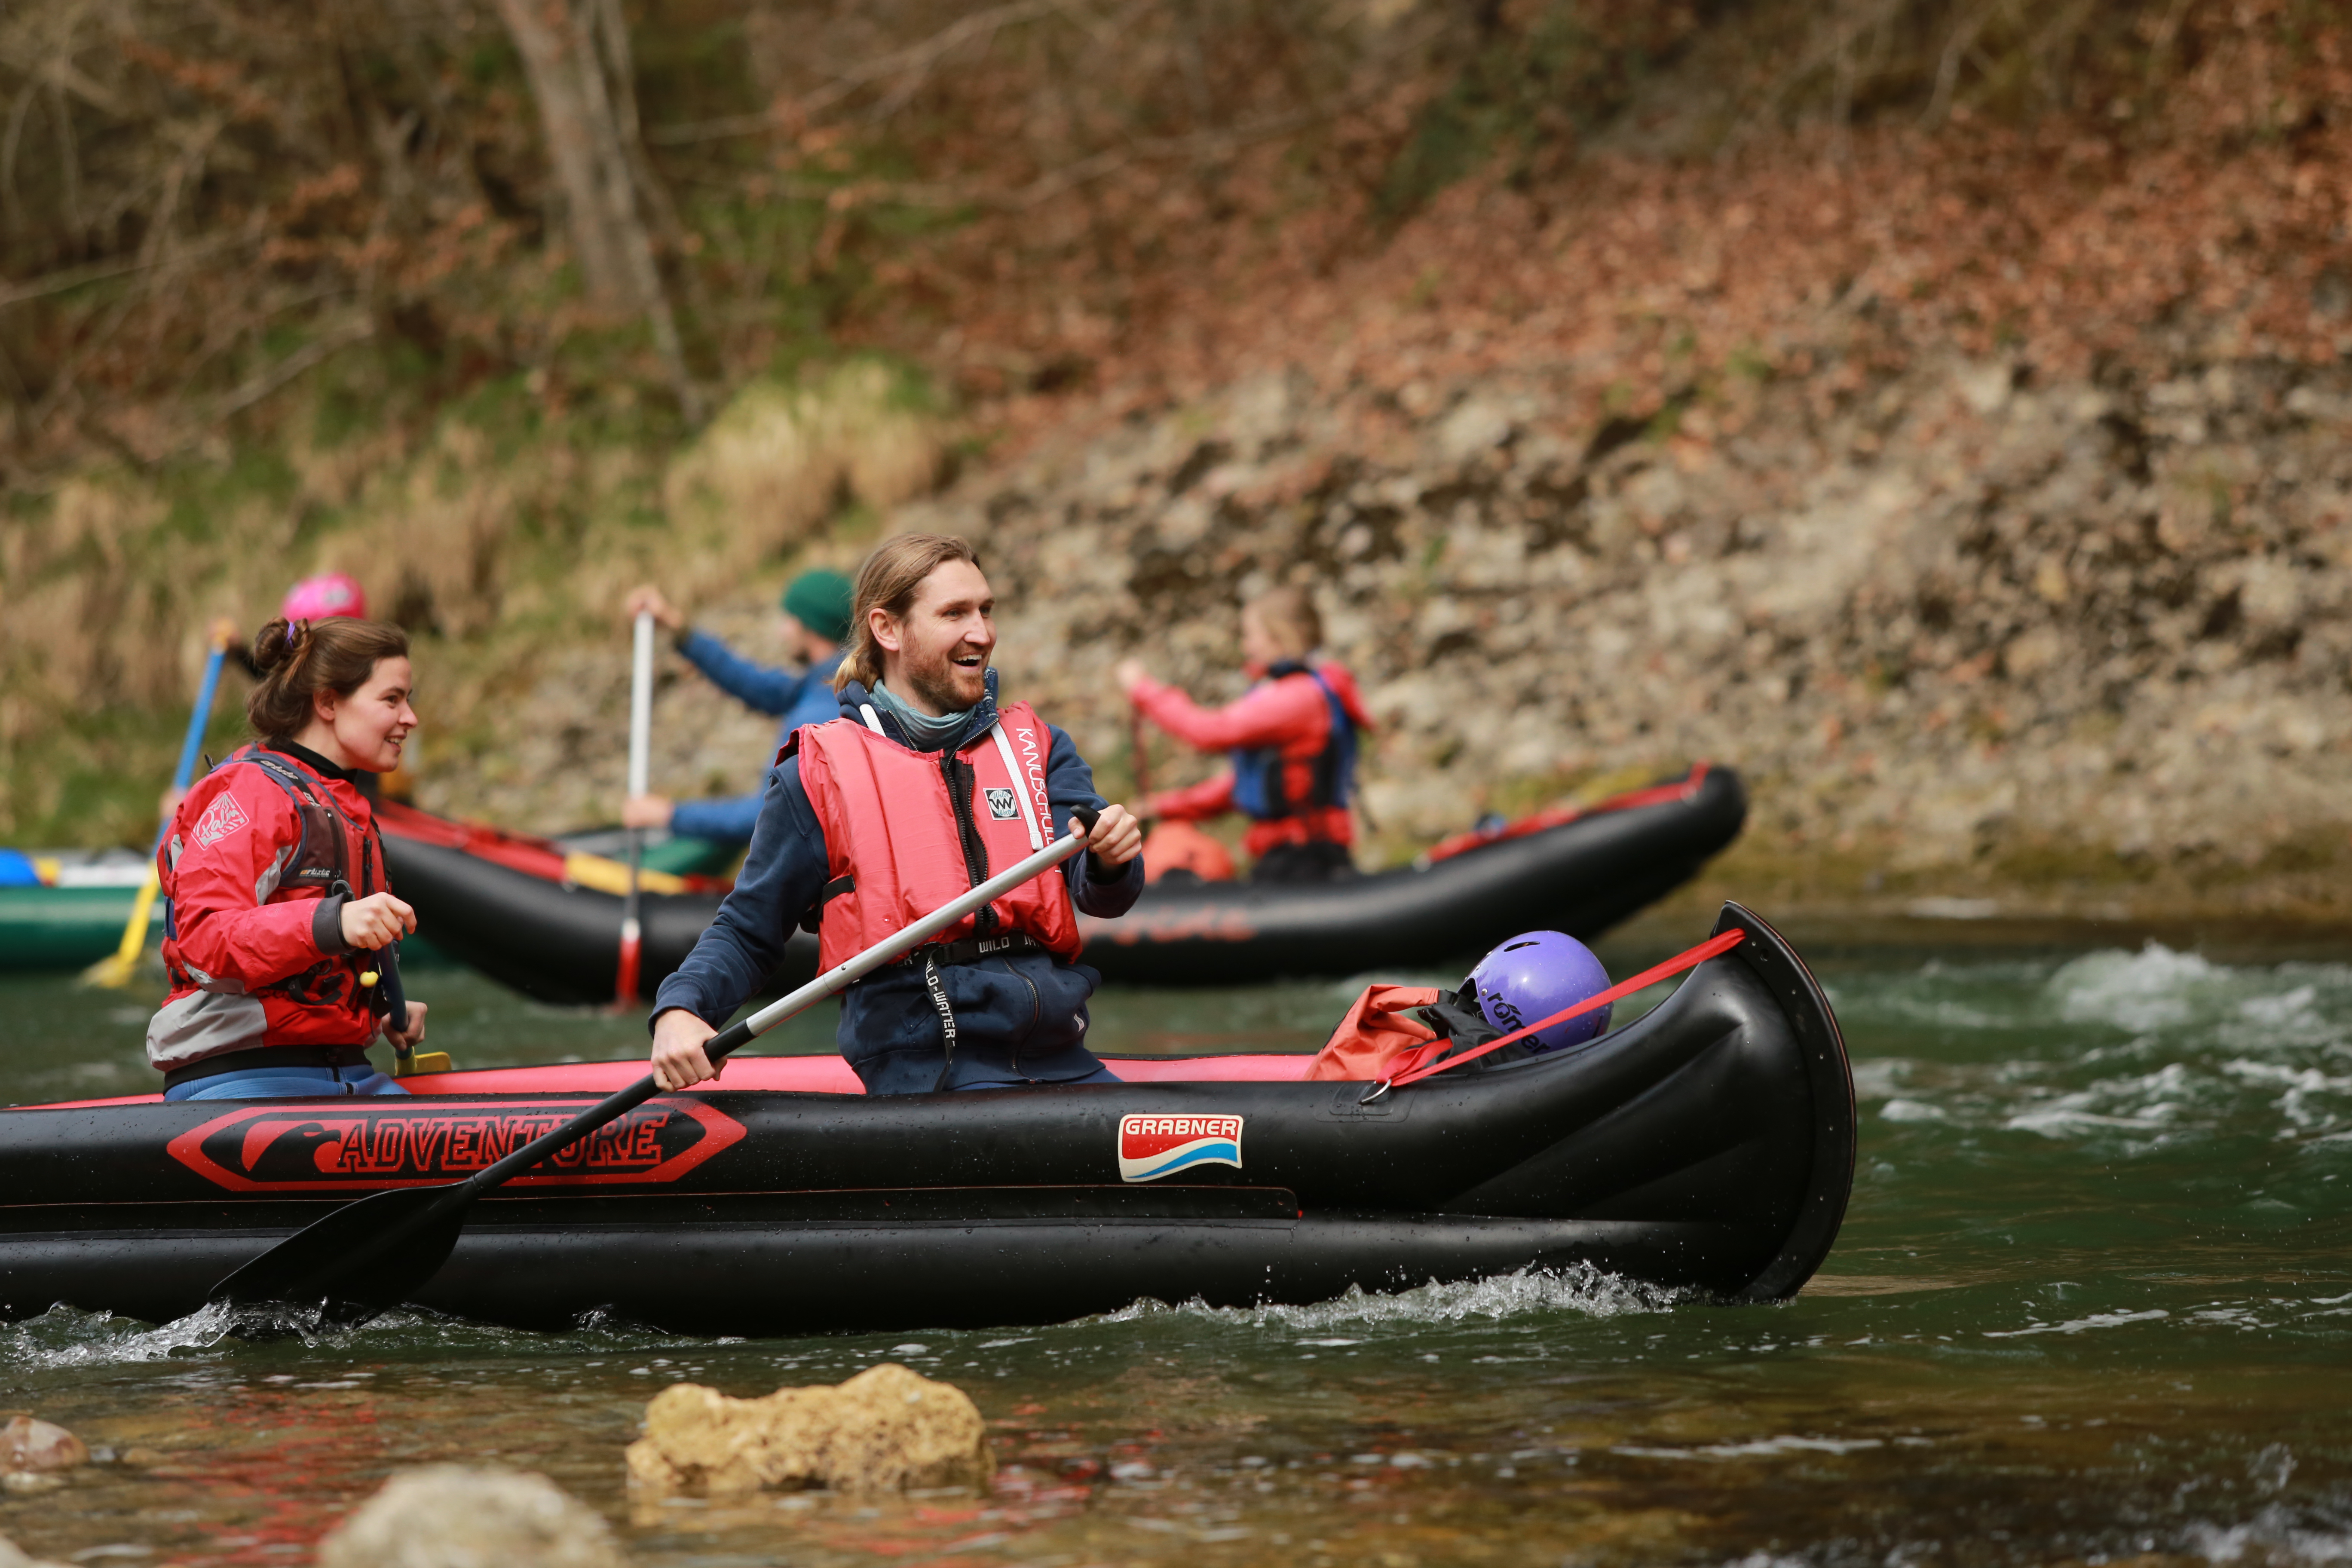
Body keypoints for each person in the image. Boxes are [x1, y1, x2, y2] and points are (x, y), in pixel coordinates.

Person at [647, 534, 1145, 1096]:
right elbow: (746, 931)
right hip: (927, 1073)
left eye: (985, 610)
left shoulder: (1039, 747)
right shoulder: (816, 774)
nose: (981, 633)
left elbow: (1105, 895)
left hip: (1058, 1053)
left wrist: (1110, 859)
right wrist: (681, 1010)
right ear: (887, 630)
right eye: (955, 613)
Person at [146, 616, 429, 1100]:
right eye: (392, 699)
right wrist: (335, 922)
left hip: (341, 1070)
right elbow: (207, 942)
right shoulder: (251, 795)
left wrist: (383, 1006)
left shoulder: (350, 811)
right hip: (238, 1081)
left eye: (408, 699)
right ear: (328, 702)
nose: (410, 718)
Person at [1114, 586, 1372, 883]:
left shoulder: (1299, 698)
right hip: (1285, 857)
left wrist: (1143, 690)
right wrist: (1168, 805)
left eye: (1251, 635)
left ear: (1280, 635)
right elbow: (1243, 785)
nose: (1246, 646)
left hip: (1307, 860)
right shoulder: (1294, 693)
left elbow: (1209, 731)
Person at [619, 570, 854, 844]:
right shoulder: (828, 686)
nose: (782, 632)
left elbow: (767, 817)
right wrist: (677, 628)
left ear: (811, 626)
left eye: (789, 620)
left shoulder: (819, 717)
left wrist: (669, 814)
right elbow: (755, 685)